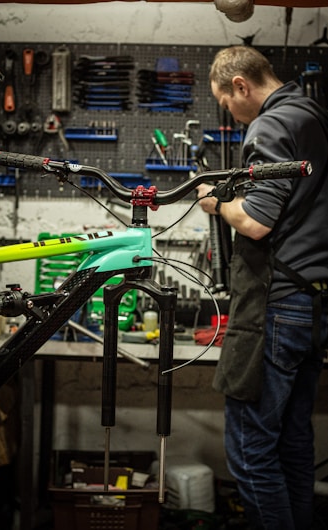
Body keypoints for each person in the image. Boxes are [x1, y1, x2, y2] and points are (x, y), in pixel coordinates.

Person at [197, 45, 328, 530]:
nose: (227, 114)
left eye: (226, 103)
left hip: (278, 303)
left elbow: (254, 222)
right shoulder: (315, 114)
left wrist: (216, 203)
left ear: (240, 86)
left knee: (251, 450)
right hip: (314, 303)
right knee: (292, 442)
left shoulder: (271, 124)